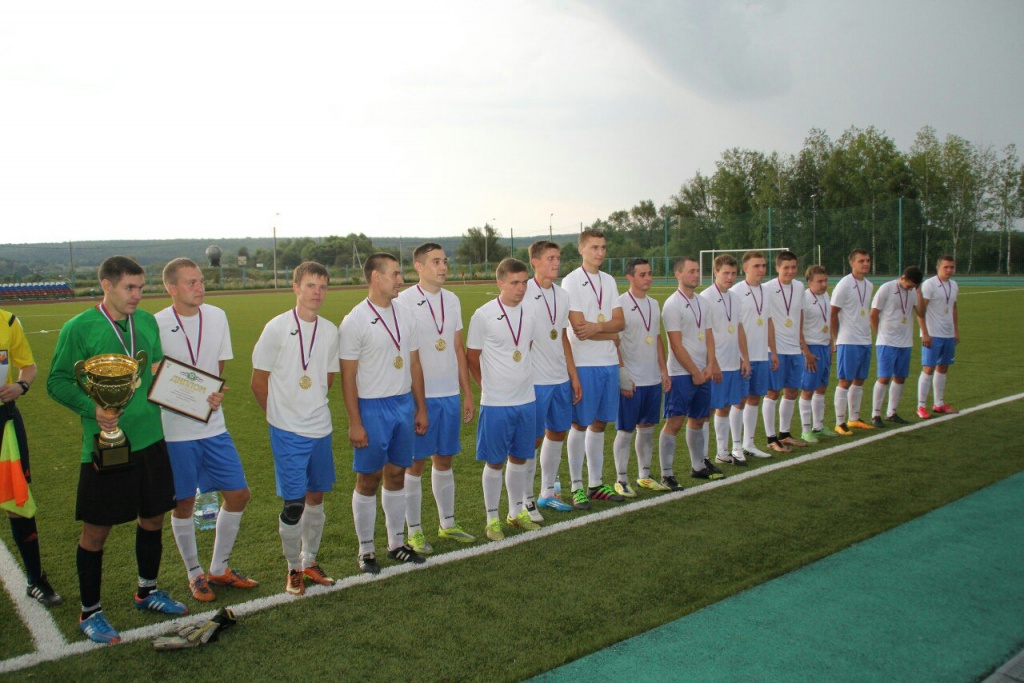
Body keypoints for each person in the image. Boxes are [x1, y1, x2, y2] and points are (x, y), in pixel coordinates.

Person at [48, 255, 186, 645]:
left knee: (153, 516)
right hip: (106, 443)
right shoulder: (79, 327)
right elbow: (57, 382)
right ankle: (89, 611)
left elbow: (158, 372)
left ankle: (147, 590)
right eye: (130, 288)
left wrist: (197, 394)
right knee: (97, 530)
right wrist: (94, 408)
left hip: (151, 439)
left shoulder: (145, 322)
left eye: (141, 288)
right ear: (106, 285)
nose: (138, 296)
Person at [157, 258, 257, 603]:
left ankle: (219, 567)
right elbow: (157, 374)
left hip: (214, 424)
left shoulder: (217, 316)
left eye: (200, 281)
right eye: (190, 283)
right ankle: (194, 573)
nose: (200, 287)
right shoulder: (156, 324)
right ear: (171, 288)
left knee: (239, 493)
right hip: (176, 431)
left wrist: (210, 392)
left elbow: (218, 363)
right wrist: (189, 394)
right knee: (183, 501)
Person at [251, 261, 341, 595]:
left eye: (322, 286)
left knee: (316, 498)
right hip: (287, 430)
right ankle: (292, 568)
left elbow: (326, 379)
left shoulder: (330, 331)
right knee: (293, 504)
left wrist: (309, 404)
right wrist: (277, 415)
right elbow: (258, 381)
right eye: (310, 285)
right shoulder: (276, 328)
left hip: (320, 426)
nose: (317, 293)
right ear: (296, 287)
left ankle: (310, 560)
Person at [340, 253, 429, 574]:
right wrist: (355, 421)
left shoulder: (406, 315)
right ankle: (366, 550)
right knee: (368, 478)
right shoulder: (355, 321)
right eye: (394, 274)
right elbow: (347, 376)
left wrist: (420, 407)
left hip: (403, 405)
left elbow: (415, 363)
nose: (400, 279)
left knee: (396, 474)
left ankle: (395, 543)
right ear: (376, 277)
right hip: (372, 407)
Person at [395, 243, 476, 552]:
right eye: (436, 262)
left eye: (445, 261)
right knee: (414, 465)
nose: (443, 267)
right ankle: (414, 531)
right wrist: (417, 403)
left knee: (444, 460)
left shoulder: (452, 300)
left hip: (449, 395)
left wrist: (467, 394)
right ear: (419, 266)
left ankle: (448, 524)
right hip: (420, 397)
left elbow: (457, 349)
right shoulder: (403, 301)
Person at [466, 258, 540, 540]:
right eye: (515, 283)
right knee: (495, 461)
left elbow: (526, 347)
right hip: (496, 403)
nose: (521, 288)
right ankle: (492, 519)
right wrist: (488, 387)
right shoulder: (483, 315)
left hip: (526, 399)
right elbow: (472, 358)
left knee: (520, 458)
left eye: (524, 282)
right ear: (500, 283)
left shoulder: (531, 312)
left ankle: (517, 511)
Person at [0, 308, 62, 606]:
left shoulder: (7, 320)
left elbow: (28, 367)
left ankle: (36, 579)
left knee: (18, 500)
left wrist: (20, 386)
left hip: (4, 420)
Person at [562, 228, 626, 507]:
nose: (600, 252)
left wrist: (600, 327)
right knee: (579, 423)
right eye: (594, 247)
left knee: (600, 424)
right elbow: (578, 330)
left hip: (609, 363)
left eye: (603, 247)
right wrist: (610, 332)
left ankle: (595, 484)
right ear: (582, 249)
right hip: (584, 363)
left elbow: (620, 322)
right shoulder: (571, 281)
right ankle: (576, 486)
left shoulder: (609, 281)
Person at [526, 241, 581, 514]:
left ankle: (548, 491)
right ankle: (525, 499)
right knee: (533, 439)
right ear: (535, 262)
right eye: (550, 258)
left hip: (560, 378)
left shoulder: (562, 295)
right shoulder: (522, 293)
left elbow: (562, 337)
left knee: (558, 432)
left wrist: (573, 375)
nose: (557, 262)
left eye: (558, 257)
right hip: (534, 380)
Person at [661, 257, 723, 485]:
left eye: (698, 270)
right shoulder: (672, 305)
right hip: (681, 374)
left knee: (699, 419)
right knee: (675, 422)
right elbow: (675, 345)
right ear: (678, 274)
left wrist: (710, 365)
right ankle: (666, 473)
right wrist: (695, 371)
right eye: (691, 271)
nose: (696, 275)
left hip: (702, 372)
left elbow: (708, 335)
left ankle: (698, 465)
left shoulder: (702, 302)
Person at [614, 258, 672, 493]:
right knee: (626, 429)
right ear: (630, 277)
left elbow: (657, 338)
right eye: (642, 275)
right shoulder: (619, 305)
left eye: (650, 274)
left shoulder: (653, 304)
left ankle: (644, 475)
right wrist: (623, 375)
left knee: (647, 428)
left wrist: (664, 370)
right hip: (632, 380)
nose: (648, 278)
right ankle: (621, 480)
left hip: (652, 378)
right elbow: (614, 343)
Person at [700, 255, 750, 468]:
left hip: (733, 362)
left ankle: (722, 451)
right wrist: (713, 364)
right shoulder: (705, 298)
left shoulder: (735, 297)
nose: (730, 277)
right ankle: (702, 457)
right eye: (725, 273)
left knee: (726, 407)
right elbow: (702, 334)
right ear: (716, 272)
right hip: (715, 364)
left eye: (733, 273)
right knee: (707, 411)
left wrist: (744, 358)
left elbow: (738, 328)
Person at [730, 251, 774, 459]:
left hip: (762, 354)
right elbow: (732, 326)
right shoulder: (736, 292)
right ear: (745, 268)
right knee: (739, 400)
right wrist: (739, 356)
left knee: (755, 398)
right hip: (742, 357)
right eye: (757, 266)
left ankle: (749, 443)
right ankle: (736, 446)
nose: (761, 269)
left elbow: (769, 322)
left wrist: (772, 351)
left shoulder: (767, 291)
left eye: (764, 266)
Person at [763, 251, 808, 452]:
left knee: (792, 391)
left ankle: (785, 433)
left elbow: (799, 314)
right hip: (775, 349)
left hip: (794, 349)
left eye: (793, 267)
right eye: (786, 267)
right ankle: (770, 437)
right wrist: (771, 350)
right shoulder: (767, 288)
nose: (790, 271)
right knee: (773, 392)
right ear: (778, 268)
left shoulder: (799, 287)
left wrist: (801, 342)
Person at [870, 266, 923, 427]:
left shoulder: (913, 292)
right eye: (910, 285)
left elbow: (921, 312)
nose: (911, 288)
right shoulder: (886, 288)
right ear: (903, 277)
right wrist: (879, 334)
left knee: (900, 377)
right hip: (887, 340)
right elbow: (873, 314)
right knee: (884, 377)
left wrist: (918, 293)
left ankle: (892, 412)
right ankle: (875, 414)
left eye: (914, 286)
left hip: (905, 341)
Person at [830, 249, 875, 435]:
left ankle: (854, 418)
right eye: (861, 261)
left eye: (868, 260)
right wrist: (835, 339)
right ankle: (840, 422)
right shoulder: (844, 284)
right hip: (848, 340)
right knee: (845, 380)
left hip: (865, 338)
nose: (865, 264)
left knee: (860, 380)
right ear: (852, 263)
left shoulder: (869, 285)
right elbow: (832, 313)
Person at [797, 265, 838, 443]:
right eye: (819, 281)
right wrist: (805, 351)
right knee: (807, 389)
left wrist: (831, 342)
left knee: (821, 388)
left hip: (824, 347)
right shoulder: (804, 299)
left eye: (825, 280)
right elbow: (798, 329)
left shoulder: (826, 296)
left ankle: (819, 426)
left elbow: (827, 321)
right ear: (810, 282)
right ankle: (806, 430)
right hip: (811, 348)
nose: (824, 284)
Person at [916, 255, 960, 418]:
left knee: (943, 367)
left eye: (952, 267)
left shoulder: (954, 285)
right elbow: (921, 311)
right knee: (928, 368)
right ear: (938, 267)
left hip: (948, 333)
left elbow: (954, 308)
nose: (949, 270)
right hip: (933, 334)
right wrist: (925, 333)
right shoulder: (930, 285)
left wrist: (956, 330)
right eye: (946, 267)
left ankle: (939, 403)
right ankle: (921, 406)